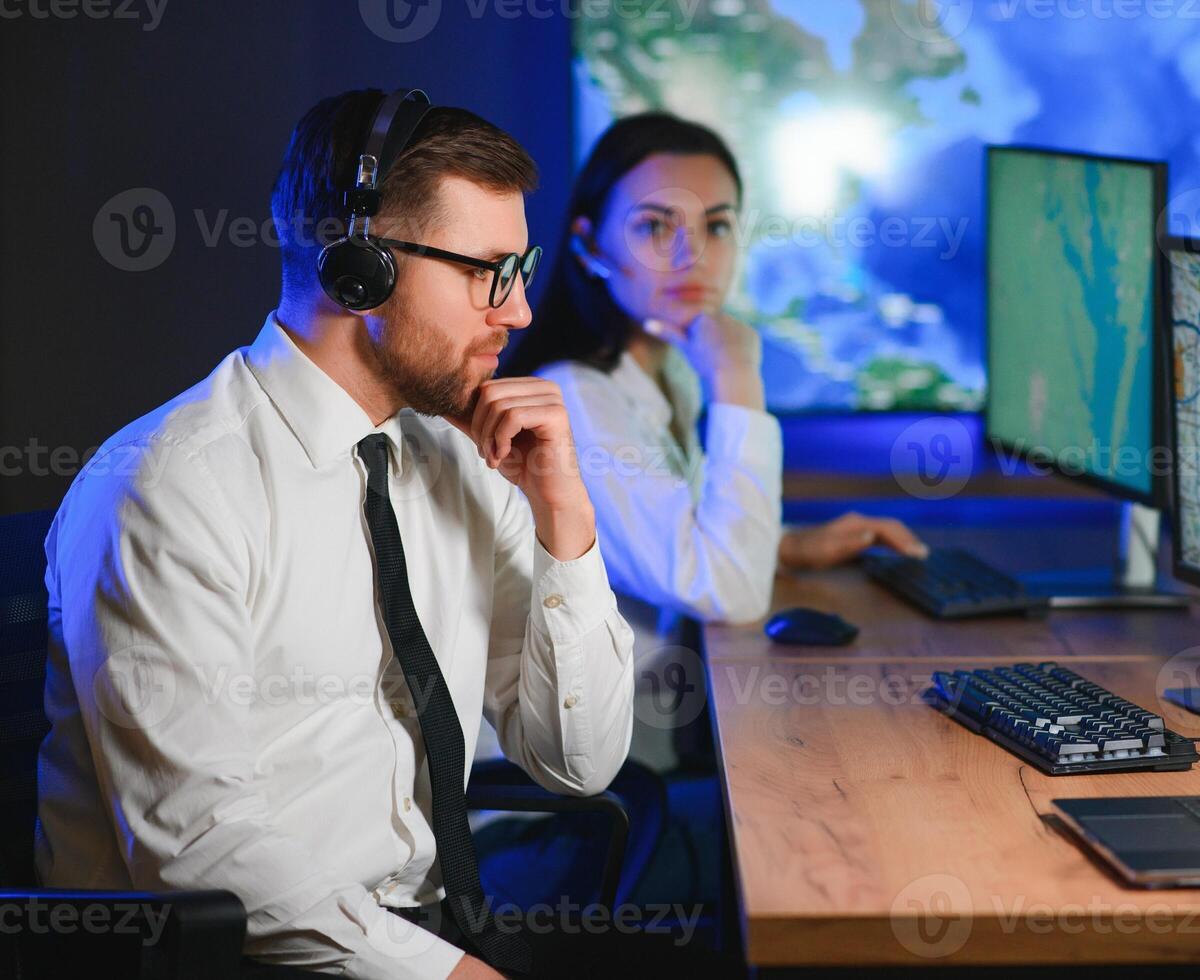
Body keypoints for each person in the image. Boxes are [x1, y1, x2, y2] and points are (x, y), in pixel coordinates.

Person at [35, 89, 635, 980]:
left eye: (520, 270)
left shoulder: (465, 458)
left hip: (417, 933)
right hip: (225, 957)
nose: (518, 313)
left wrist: (565, 521)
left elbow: (576, 765)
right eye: (488, 272)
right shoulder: (169, 488)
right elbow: (202, 852)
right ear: (362, 270)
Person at [504, 111, 928, 668]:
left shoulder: (670, 370)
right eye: (655, 226)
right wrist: (737, 377)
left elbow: (685, 540)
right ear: (588, 244)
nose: (693, 255)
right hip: (581, 746)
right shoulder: (574, 399)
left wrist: (783, 546)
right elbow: (729, 593)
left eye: (717, 226)